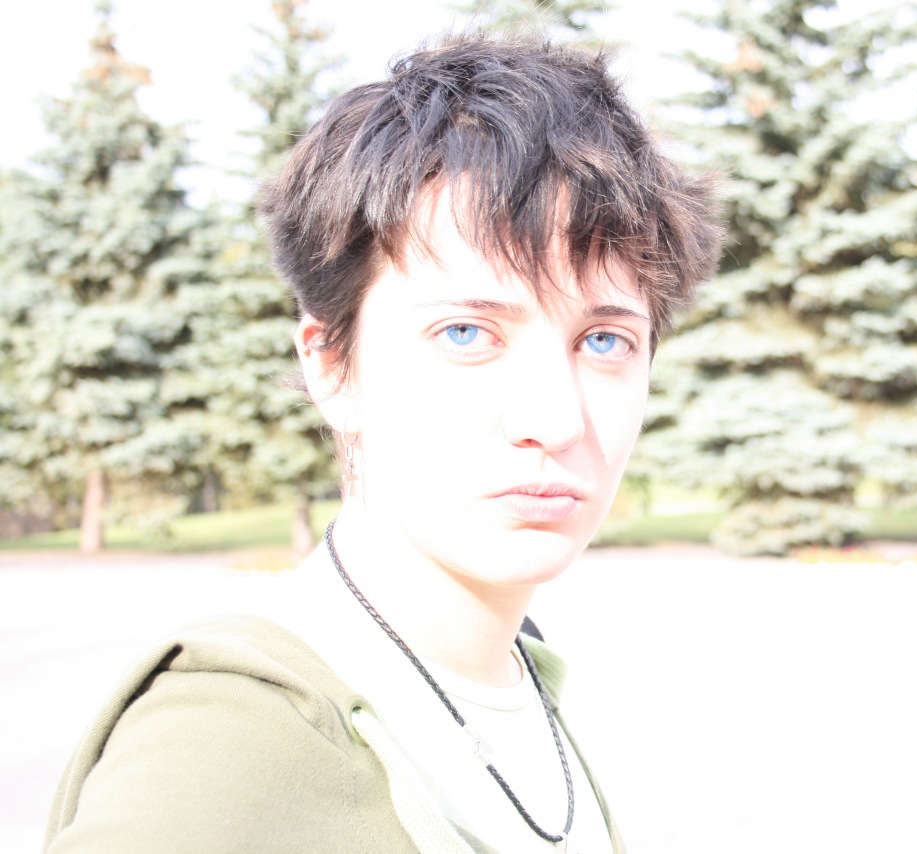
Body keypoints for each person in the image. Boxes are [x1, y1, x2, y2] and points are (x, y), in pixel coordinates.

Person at [43, 33, 721, 853]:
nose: (558, 419)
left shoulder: (521, 681)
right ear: (331, 364)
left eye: (604, 341)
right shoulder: (233, 739)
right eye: (467, 333)